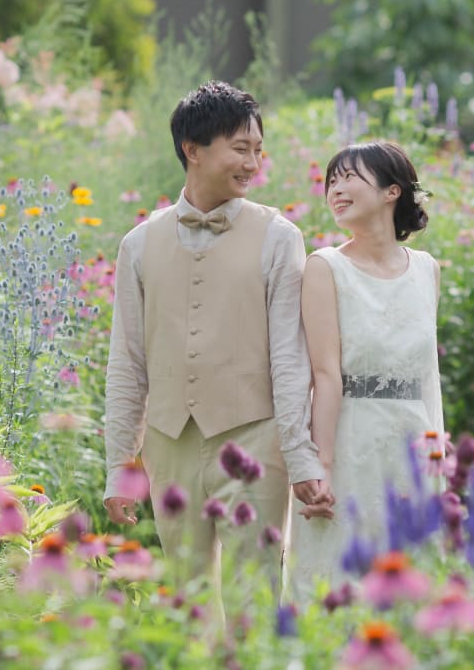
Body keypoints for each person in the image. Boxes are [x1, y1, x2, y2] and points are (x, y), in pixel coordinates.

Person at [102, 80, 325, 588]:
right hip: (168, 443)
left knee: (256, 592)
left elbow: (292, 360)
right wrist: (120, 466)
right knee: (186, 598)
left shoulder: (279, 237)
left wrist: (299, 454)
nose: (253, 163)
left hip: (253, 440)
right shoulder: (137, 244)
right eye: (241, 148)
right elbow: (127, 362)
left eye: (258, 151)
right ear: (193, 149)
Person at [288, 141, 443, 600]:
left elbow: (428, 377)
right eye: (331, 181)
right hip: (351, 444)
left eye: (349, 177)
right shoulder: (325, 267)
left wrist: (438, 462)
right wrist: (322, 466)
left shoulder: (427, 270)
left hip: (411, 448)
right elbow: (325, 374)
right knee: (337, 583)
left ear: (393, 190)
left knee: (409, 584)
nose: (336, 188)